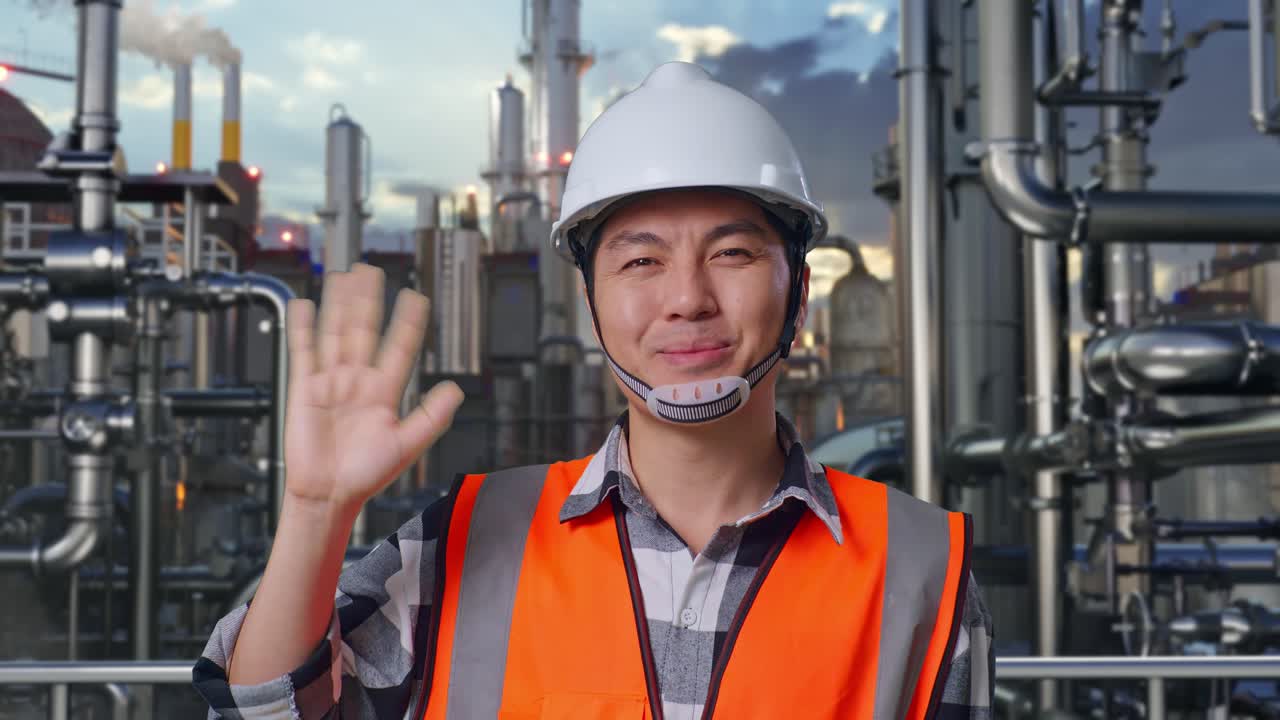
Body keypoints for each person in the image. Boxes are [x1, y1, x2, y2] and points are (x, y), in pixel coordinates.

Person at [194, 61, 994, 719]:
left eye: (734, 254)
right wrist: (314, 511)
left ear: (801, 289)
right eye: (641, 261)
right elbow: (263, 714)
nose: (687, 298)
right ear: (590, 302)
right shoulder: (464, 542)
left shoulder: (920, 568)